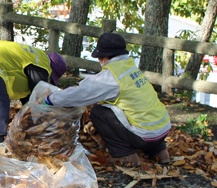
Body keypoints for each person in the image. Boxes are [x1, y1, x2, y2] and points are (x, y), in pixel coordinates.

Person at [44, 32, 171, 166]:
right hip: (162, 130)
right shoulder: (130, 68)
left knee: (99, 112)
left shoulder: (111, 77)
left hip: (145, 136)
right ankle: (161, 152)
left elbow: (80, 94)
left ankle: (126, 155)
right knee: (140, 113)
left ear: (103, 57)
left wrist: (50, 99)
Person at [0, 40, 68, 145]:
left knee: (1, 97)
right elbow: (36, 96)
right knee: (1, 100)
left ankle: (0, 136)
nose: (49, 81)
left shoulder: (37, 57)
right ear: (52, 69)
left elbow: (28, 97)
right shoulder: (42, 67)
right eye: (51, 79)